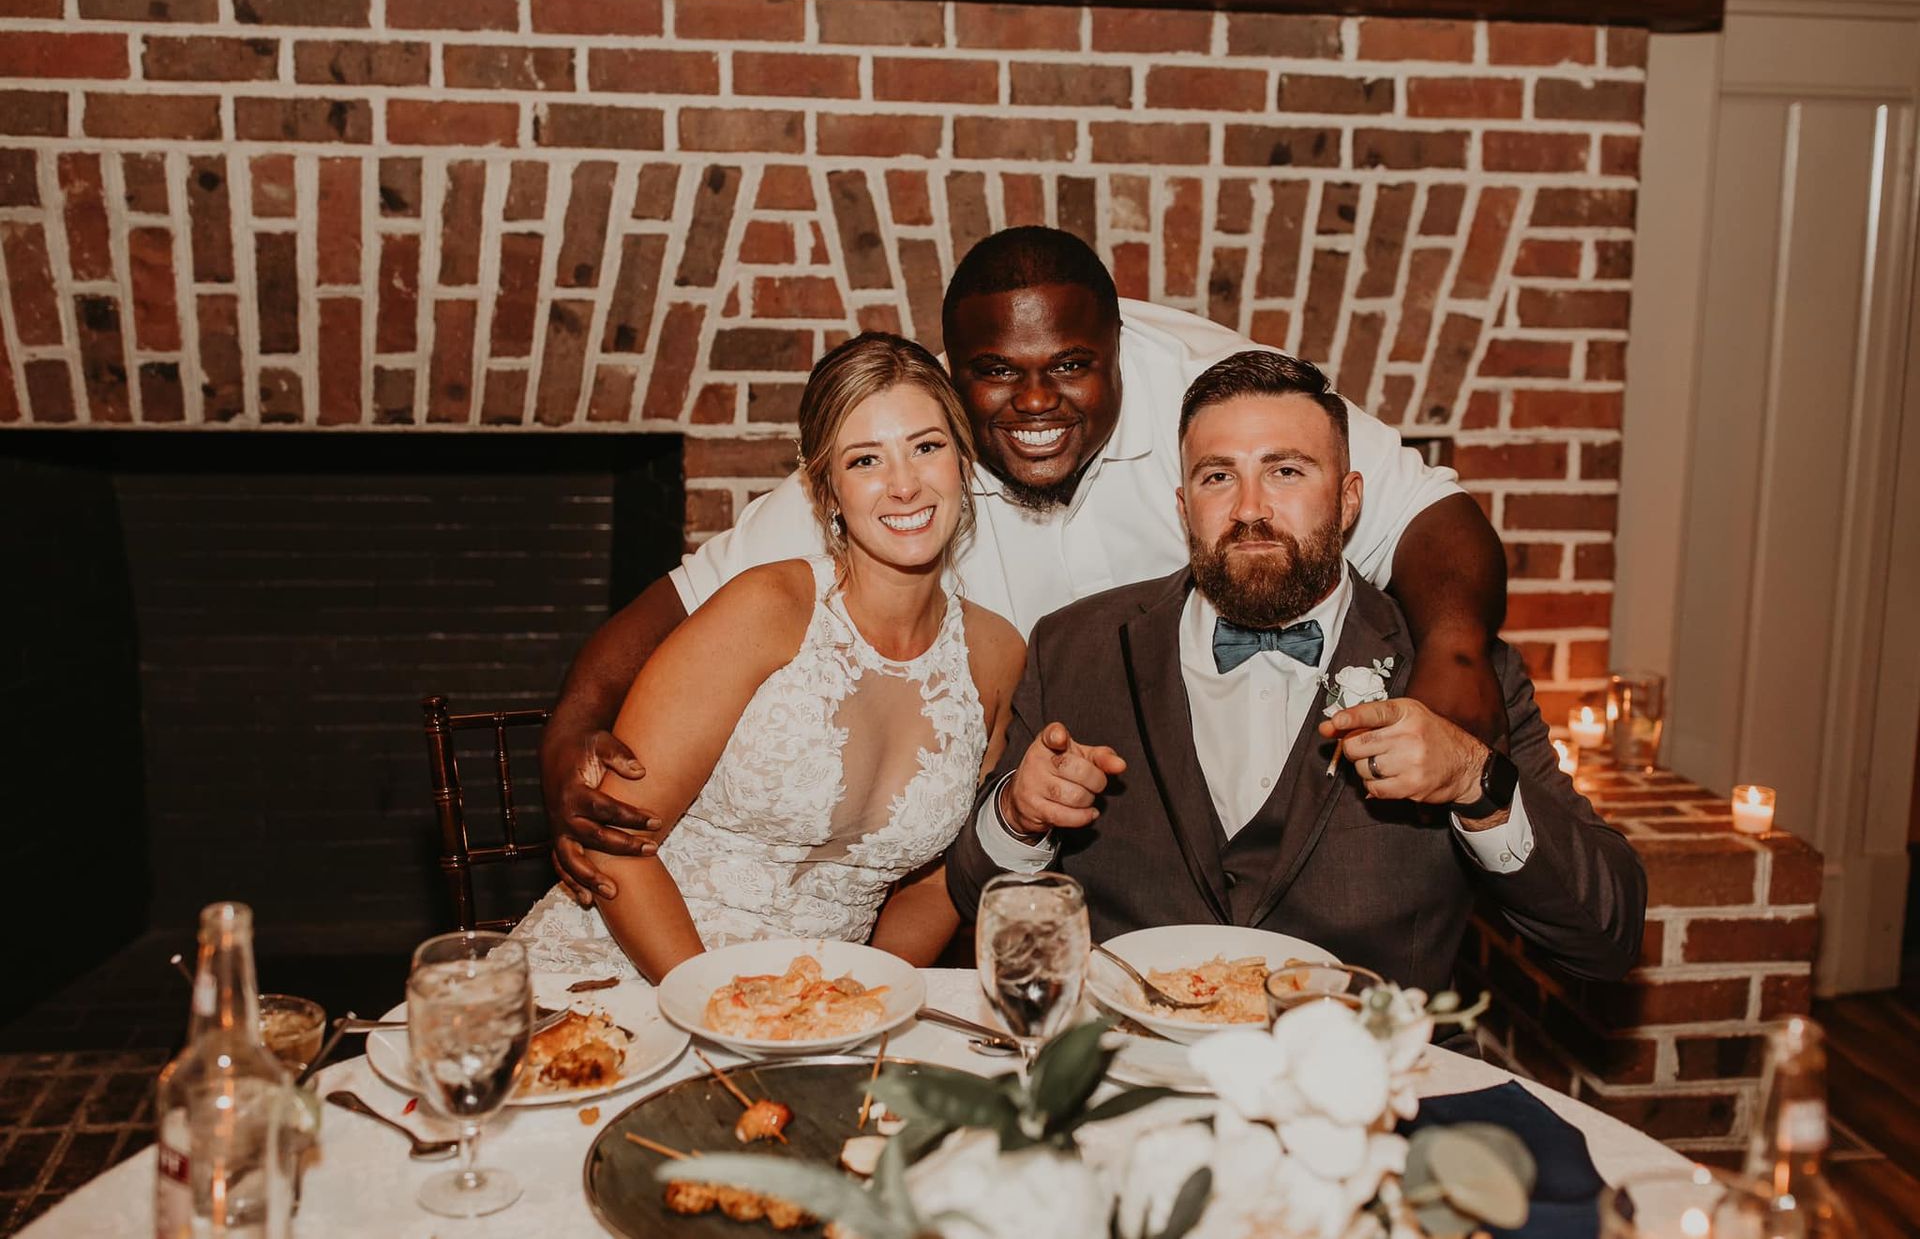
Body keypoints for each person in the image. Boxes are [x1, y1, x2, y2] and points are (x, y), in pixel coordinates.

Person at [542, 227, 1511, 904]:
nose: (1036, 400)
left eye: (1074, 365)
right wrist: (570, 735)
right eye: (998, 371)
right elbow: (679, 602)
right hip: (1002, 839)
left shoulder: (1213, 395)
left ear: (1125, 352)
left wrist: (1458, 656)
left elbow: (1432, 511)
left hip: (1193, 827)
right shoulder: (908, 452)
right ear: (953, 367)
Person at [945, 351, 1645, 992]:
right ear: (1185, 508)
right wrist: (1017, 816)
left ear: (1348, 500)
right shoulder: (1077, 646)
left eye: (1286, 471)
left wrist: (1476, 780)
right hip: (1128, 1080)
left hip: (1371, 1096)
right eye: (1219, 477)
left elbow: (1606, 935)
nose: (1250, 509)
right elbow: (978, 899)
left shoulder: (1450, 669)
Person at [516, 332, 1025, 982]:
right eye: (865, 460)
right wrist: (722, 1009)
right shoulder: (764, 609)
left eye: (926, 447)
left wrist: (857, 999)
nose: (903, 485)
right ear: (827, 491)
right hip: (631, 971)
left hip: (808, 1013)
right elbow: (619, 850)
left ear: (962, 458)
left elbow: (934, 884)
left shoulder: (997, 655)